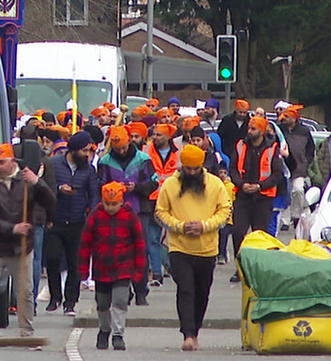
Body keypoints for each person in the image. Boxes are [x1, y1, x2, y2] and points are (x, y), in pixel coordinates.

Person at [0, 143, 54, 347]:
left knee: (25, 290)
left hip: (21, 248)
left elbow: (51, 201)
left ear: (12, 161)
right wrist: (12, 228)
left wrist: (38, 182)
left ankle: (26, 329)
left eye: (2, 162)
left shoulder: (26, 180)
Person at [154, 144, 231, 352]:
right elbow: (160, 213)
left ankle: (195, 331)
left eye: (195, 169)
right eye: (187, 169)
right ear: (182, 166)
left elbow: (225, 212)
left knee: (202, 292)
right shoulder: (170, 185)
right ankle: (187, 335)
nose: (191, 173)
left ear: (201, 166)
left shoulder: (215, 185)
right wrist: (180, 226)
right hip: (179, 248)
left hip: (207, 249)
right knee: (185, 289)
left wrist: (204, 226)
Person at [79, 181, 146, 351]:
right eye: (107, 204)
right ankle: (104, 329)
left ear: (121, 201)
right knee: (102, 303)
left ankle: (118, 334)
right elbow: (85, 244)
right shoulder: (95, 216)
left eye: (114, 204)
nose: (110, 208)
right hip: (101, 268)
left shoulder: (130, 216)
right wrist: (83, 269)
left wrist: (139, 270)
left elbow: (139, 244)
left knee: (120, 301)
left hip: (123, 267)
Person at [97, 126, 156, 305]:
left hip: (139, 210)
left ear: (129, 140)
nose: (121, 151)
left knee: (140, 250)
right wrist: (113, 189)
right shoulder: (105, 161)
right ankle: (123, 289)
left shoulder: (143, 159)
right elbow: (100, 184)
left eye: (123, 147)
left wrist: (136, 188)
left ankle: (141, 291)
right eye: (118, 148)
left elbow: (153, 182)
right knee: (117, 251)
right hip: (114, 211)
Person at [46, 131, 100, 316]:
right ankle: (55, 297)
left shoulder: (89, 170)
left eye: (89, 150)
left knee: (75, 264)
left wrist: (91, 218)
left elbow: (94, 195)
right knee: (52, 259)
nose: (87, 154)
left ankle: (70, 302)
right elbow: (44, 187)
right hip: (55, 219)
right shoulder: (54, 164)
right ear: (74, 150)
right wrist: (59, 189)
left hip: (78, 222)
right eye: (84, 150)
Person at [229, 117, 283, 282]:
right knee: (238, 231)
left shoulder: (273, 148)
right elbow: (233, 169)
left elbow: (278, 175)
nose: (249, 131)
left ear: (261, 131)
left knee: (259, 234)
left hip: (263, 198)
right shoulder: (240, 146)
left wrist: (260, 186)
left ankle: (258, 269)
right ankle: (241, 268)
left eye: (253, 129)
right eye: (249, 128)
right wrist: (241, 183)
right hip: (243, 196)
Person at [14, 125, 56, 308]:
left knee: (13, 258)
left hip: (13, 213)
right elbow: (50, 190)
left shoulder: (12, 156)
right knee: (35, 259)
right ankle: (30, 302)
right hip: (37, 215)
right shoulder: (45, 160)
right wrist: (50, 216)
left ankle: (15, 300)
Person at [144, 123, 178, 286]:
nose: (155, 138)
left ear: (168, 136)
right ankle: (157, 273)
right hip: (151, 198)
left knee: (173, 236)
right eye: (154, 134)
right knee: (153, 237)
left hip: (173, 198)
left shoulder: (179, 152)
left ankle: (172, 267)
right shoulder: (146, 150)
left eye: (158, 135)